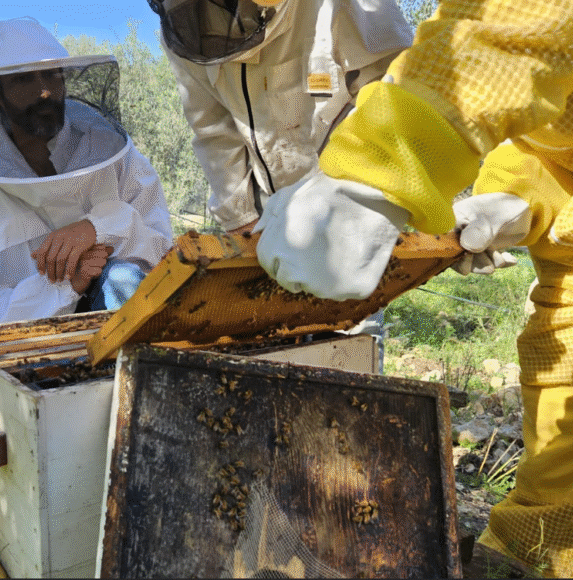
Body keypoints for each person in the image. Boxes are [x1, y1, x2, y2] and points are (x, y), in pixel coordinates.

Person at [253, 0, 573, 577]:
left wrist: (380, 164)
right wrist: (520, 192)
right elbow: (562, 122)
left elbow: (524, 18)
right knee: (567, 401)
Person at [149, 0, 413, 370]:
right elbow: (213, 129)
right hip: (266, 217)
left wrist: (358, 191)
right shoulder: (181, 29)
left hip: (344, 203)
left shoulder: (345, 8)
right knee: (272, 356)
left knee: (349, 348)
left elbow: (395, 85)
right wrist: (241, 218)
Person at [0, 18, 174, 330]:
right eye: (24, 80)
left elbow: (162, 253)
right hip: (29, 345)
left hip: (125, 327)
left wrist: (98, 228)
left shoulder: (114, 154)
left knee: (121, 279)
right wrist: (65, 285)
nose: (45, 92)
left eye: (52, 75)